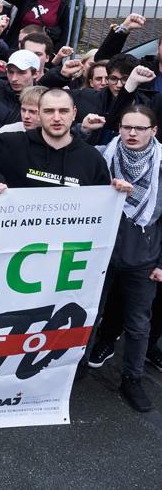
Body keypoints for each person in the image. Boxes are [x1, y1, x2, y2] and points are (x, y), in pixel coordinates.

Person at [87, 105, 162, 412]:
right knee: (89, 314)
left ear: (153, 131)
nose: (132, 133)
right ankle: (73, 369)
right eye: (126, 127)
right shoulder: (102, 156)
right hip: (101, 253)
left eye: (140, 128)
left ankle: (132, 379)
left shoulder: (160, 164)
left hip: (143, 257)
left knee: (138, 324)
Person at [0, 89, 111, 188]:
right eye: (49, 111)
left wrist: (116, 192)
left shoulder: (92, 159)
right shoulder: (11, 145)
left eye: (63, 111)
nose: (56, 118)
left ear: (74, 113)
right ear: (38, 114)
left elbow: (103, 204)